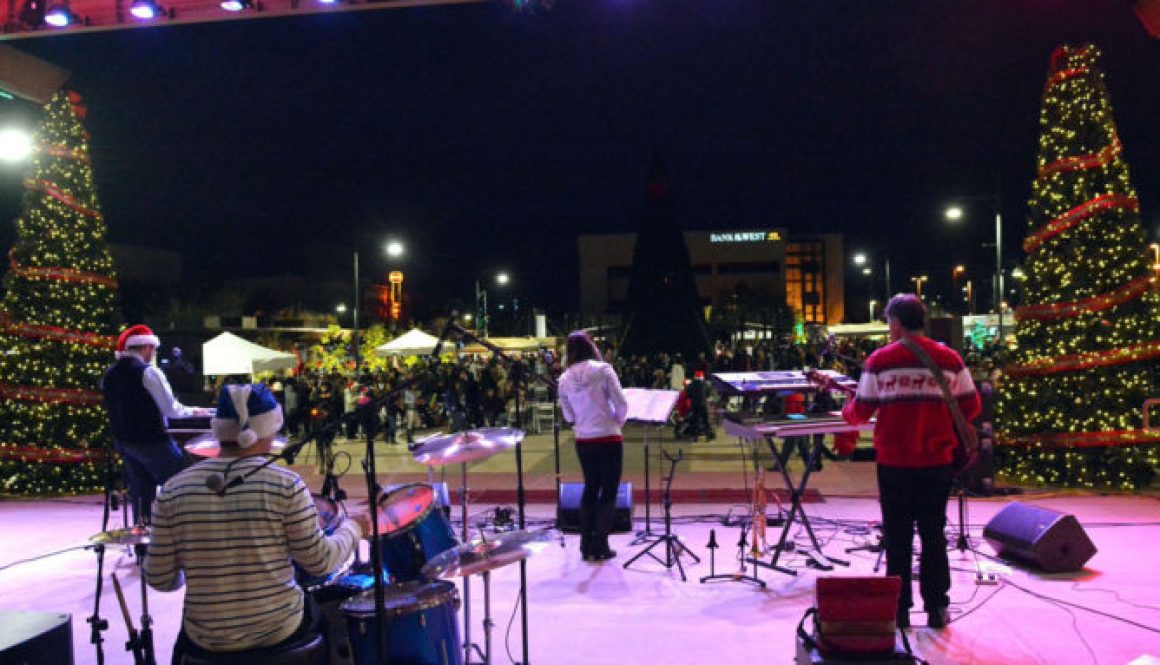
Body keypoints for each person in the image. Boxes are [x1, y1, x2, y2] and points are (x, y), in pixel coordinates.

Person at [144, 382, 371, 660]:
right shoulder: (285, 485)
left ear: (218, 430)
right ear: (267, 430)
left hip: (206, 642)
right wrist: (354, 528)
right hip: (280, 633)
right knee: (331, 617)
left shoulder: (173, 489)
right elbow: (320, 561)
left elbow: (160, 579)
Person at [841, 294, 981, 630]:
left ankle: (899, 610)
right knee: (934, 534)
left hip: (894, 463)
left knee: (897, 536)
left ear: (896, 322)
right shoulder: (949, 358)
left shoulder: (879, 360)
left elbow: (859, 414)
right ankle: (937, 608)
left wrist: (847, 405)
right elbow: (971, 405)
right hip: (936, 463)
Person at [102, 324, 209, 525]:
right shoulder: (149, 372)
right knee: (181, 482)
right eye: (153, 349)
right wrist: (193, 411)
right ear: (146, 347)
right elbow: (171, 409)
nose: (154, 354)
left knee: (141, 491)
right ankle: (183, 529)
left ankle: (144, 533)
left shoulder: (111, 373)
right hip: (151, 440)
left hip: (124, 442)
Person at [558, 330, 629, 562]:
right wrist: (618, 421)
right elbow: (621, 403)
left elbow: (568, 416)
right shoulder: (603, 370)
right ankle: (601, 544)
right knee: (608, 490)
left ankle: (585, 543)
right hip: (608, 437)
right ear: (591, 347)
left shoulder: (564, 379)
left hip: (584, 440)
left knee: (590, 487)